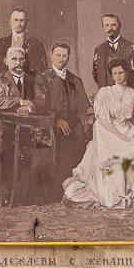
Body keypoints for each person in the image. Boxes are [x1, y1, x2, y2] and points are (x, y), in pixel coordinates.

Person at [63, 58, 134, 209]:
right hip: (108, 132)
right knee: (115, 159)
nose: (118, 76)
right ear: (111, 75)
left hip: (127, 129)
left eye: (121, 72)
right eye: (115, 73)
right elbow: (102, 120)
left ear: (126, 73)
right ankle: (116, 197)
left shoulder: (133, 94)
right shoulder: (105, 93)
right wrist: (121, 137)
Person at [34, 42, 92, 194]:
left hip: (74, 124)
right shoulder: (43, 79)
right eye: (58, 55)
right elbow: (41, 106)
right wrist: (57, 120)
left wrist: (94, 112)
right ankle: (56, 189)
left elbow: (84, 105)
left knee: (81, 136)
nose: (61, 59)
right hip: (50, 125)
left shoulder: (75, 80)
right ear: (51, 56)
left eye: (65, 55)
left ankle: (73, 187)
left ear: (69, 57)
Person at [0, 46, 38, 205]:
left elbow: (41, 99)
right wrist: (20, 102)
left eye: (21, 59)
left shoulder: (33, 80)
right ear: (6, 61)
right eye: (14, 59)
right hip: (4, 125)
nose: (18, 62)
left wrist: (28, 108)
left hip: (29, 125)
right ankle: (3, 193)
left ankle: (28, 193)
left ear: (26, 61)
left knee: (38, 149)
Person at [92, 13, 134, 91]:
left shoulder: (131, 48)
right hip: (107, 97)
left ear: (120, 26)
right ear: (103, 27)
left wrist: (131, 90)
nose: (110, 28)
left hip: (127, 97)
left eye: (113, 25)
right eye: (107, 25)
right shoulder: (99, 50)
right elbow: (95, 75)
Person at [0, 7, 48, 78]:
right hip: (7, 85)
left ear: (26, 22)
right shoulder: (2, 42)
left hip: (29, 85)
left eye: (21, 20)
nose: (18, 24)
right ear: (10, 22)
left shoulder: (37, 44)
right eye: (16, 20)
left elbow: (41, 72)